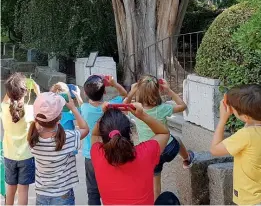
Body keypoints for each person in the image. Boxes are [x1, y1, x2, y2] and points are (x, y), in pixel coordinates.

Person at [125, 75, 194, 199]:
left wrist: (132, 91)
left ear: (138, 91)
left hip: (150, 154)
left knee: (155, 184)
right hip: (169, 149)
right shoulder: (163, 108)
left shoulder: (135, 109)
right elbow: (183, 106)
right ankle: (187, 159)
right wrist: (168, 90)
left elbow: (124, 104)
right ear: (157, 92)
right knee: (176, 139)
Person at [91, 102, 170, 205]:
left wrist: (105, 115)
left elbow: (94, 134)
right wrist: (142, 115)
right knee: (168, 198)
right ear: (130, 132)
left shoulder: (97, 154)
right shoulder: (145, 153)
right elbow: (164, 133)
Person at [210, 84, 261, 205]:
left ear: (245, 117)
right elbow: (252, 125)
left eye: (234, 111)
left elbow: (214, 150)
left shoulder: (246, 135)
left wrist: (223, 119)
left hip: (250, 199)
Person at [27, 91, 89, 205]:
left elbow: (38, 125)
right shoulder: (67, 138)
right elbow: (85, 129)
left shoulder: (32, 139)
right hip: (63, 195)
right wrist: (74, 109)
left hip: (41, 195)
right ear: (60, 117)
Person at [80, 74, 127, 205]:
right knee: (111, 188)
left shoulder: (84, 109)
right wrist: (114, 83)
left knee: (93, 192)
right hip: (109, 153)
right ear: (105, 91)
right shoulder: (111, 106)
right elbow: (125, 95)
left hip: (90, 155)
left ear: (85, 93)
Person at [1, 72, 39, 205]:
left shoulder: (4, 108)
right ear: (26, 92)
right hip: (26, 157)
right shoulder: (30, 110)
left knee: (10, 189)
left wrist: (13, 87)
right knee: (23, 191)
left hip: (9, 156)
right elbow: (43, 109)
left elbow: (5, 100)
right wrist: (37, 92)